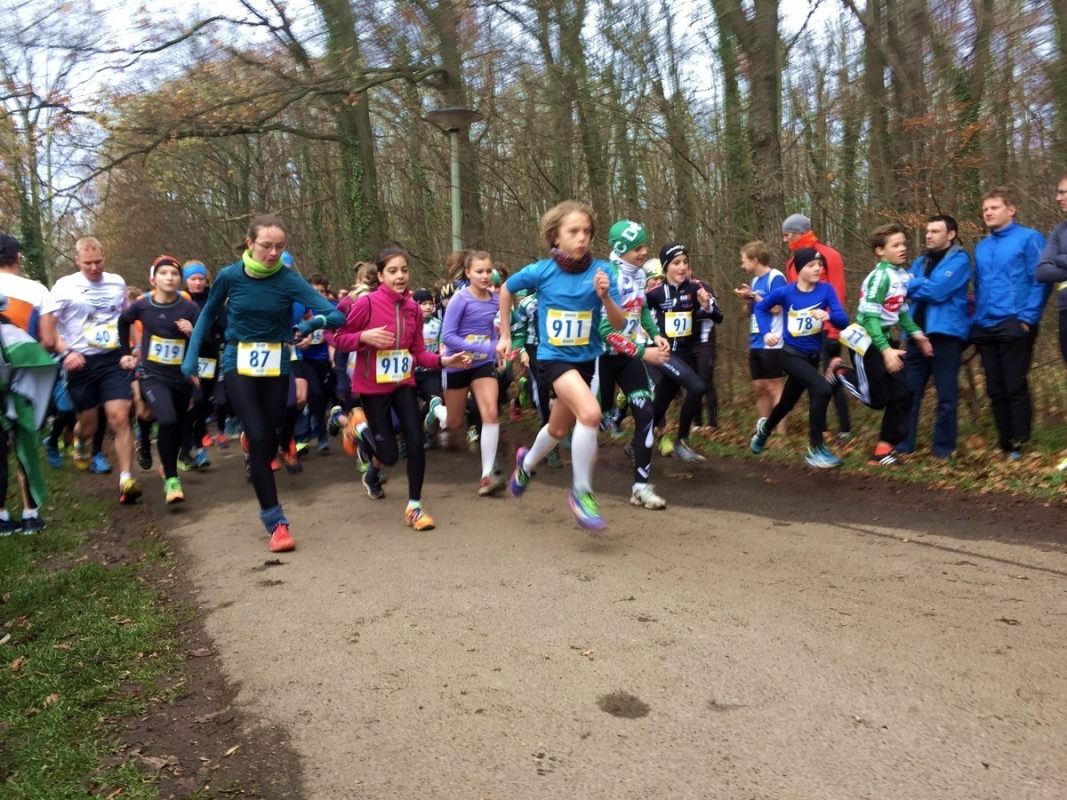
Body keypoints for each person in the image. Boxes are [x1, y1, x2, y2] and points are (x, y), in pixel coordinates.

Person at [180, 215, 345, 552]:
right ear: (250, 243)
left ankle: (253, 440)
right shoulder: (229, 276)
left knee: (268, 438)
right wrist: (190, 359)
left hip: (276, 364)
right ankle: (277, 523)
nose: (273, 253)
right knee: (258, 439)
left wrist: (312, 326)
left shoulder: (289, 280)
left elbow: (337, 315)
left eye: (279, 247)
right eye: (266, 246)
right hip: (238, 362)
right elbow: (207, 316)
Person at [497, 200, 626, 531]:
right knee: (591, 414)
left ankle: (525, 464)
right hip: (552, 360)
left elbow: (619, 323)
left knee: (557, 430)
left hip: (586, 362)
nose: (582, 238)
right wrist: (506, 335)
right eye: (574, 231)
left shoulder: (603, 272)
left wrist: (606, 297)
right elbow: (506, 289)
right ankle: (581, 493)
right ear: (555, 236)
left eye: (587, 232)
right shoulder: (541, 271)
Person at [333, 247, 470, 530]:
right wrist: (364, 336)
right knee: (388, 456)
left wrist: (445, 360)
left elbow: (418, 352)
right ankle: (358, 427)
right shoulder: (366, 305)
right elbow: (339, 337)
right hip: (372, 389)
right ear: (381, 275)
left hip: (403, 384)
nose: (400, 276)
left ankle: (414, 507)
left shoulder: (412, 310)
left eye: (404, 270)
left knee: (415, 442)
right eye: (393, 271)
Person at [39, 236, 141, 504]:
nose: (94, 268)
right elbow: (49, 332)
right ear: (77, 261)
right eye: (87, 264)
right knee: (89, 424)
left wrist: (136, 345)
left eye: (98, 262)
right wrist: (66, 353)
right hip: (80, 362)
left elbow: (127, 315)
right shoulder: (64, 286)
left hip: (112, 360)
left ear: (104, 257)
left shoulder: (117, 282)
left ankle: (126, 479)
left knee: (120, 417)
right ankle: (80, 441)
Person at [828, 224, 933, 466]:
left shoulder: (901, 275)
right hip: (866, 342)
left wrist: (918, 335)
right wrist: (885, 351)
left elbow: (901, 312)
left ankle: (882, 450)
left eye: (904, 244)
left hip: (885, 340)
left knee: (904, 392)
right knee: (876, 401)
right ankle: (839, 371)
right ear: (880, 251)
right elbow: (872, 319)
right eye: (895, 245)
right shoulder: (879, 278)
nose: (903, 249)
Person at [750, 247, 849, 468]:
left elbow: (843, 320)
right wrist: (766, 333)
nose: (818, 269)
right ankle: (816, 449)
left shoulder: (826, 290)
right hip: (790, 356)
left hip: (812, 356)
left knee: (786, 403)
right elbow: (761, 308)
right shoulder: (786, 293)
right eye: (811, 265)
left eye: (820, 265)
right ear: (799, 269)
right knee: (822, 390)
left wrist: (829, 316)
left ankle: (764, 430)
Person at [595, 220, 670, 509]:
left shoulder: (639, 274)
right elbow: (606, 331)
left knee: (646, 412)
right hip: (600, 356)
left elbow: (643, 311)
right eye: (638, 248)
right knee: (591, 420)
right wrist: (643, 352)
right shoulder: (610, 276)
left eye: (645, 246)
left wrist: (656, 335)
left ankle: (641, 486)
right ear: (620, 249)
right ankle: (532, 462)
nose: (644, 252)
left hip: (628, 356)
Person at [970, 187, 1049, 459]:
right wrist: (975, 321)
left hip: (1015, 323)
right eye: (985, 210)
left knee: (1014, 385)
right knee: (994, 388)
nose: (988, 213)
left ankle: (1019, 443)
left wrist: (1027, 318)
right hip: (985, 326)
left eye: (994, 207)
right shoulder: (982, 245)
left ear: (1011, 209)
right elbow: (978, 286)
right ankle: (1005, 444)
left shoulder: (1030, 238)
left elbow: (1041, 279)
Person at [118, 256, 200, 504]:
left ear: (179, 279)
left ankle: (168, 467)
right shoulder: (142, 305)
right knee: (167, 418)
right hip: (152, 374)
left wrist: (192, 332)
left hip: (180, 376)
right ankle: (172, 481)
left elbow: (204, 342)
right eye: (163, 273)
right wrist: (124, 353)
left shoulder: (190, 308)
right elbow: (123, 321)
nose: (169, 277)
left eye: (174, 274)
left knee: (175, 426)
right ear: (153, 279)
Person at [896, 215, 972, 458]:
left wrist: (917, 283)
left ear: (950, 235)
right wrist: (923, 282)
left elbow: (937, 292)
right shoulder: (920, 261)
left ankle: (943, 449)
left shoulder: (960, 260)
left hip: (946, 336)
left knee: (947, 396)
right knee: (909, 393)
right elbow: (899, 287)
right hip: (917, 337)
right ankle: (903, 445)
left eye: (935, 231)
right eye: (927, 231)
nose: (929, 235)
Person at [0, 234, 56, 533]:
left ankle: (1, 517)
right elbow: (48, 340)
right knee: (26, 437)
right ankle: (30, 512)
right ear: (18, 257)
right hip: (24, 375)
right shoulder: (36, 290)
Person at [646, 242, 722, 463]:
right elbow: (637, 311)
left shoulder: (697, 287)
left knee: (661, 402)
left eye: (685, 263)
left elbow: (719, 317)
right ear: (665, 267)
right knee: (697, 387)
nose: (682, 268)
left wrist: (707, 306)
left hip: (687, 354)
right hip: (666, 354)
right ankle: (683, 441)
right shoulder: (655, 293)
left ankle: (635, 443)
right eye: (676, 263)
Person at [440, 251, 505, 496]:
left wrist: (496, 347)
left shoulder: (495, 300)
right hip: (457, 364)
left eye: (489, 271)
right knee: (454, 422)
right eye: (479, 271)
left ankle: (487, 475)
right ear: (468, 273)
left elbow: (491, 330)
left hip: (482, 365)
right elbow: (447, 337)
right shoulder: (460, 299)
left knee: (490, 412)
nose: (485, 276)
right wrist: (483, 346)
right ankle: (437, 410)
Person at [782, 213, 850, 443]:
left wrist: (834, 330)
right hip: (803, 332)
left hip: (827, 328)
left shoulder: (830, 255)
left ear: (799, 233)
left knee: (832, 375)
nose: (784, 240)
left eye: (787, 235)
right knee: (812, 382)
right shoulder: (792, 262)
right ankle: (819, 431)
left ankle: (845, 429)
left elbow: (838, 292)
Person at [734, 240, 786, 433]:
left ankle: (782, 433)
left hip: (773, 340)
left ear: (755, 260)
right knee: (759, 387)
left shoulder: (776, 277)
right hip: (756, 340)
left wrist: (754, 296)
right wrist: (747, 300)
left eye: (744, 260)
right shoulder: (755, 282)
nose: (742, 265)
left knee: (774, 387)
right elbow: (752, 312)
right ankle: (763, 429)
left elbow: (777, 307)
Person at [1037, 173, 1067, 470]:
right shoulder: (1059, 230)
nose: (1058, 197)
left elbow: (1053, 263)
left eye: (1063, 192)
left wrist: (1061, 259)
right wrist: (1059, 260)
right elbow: (1042, 271)